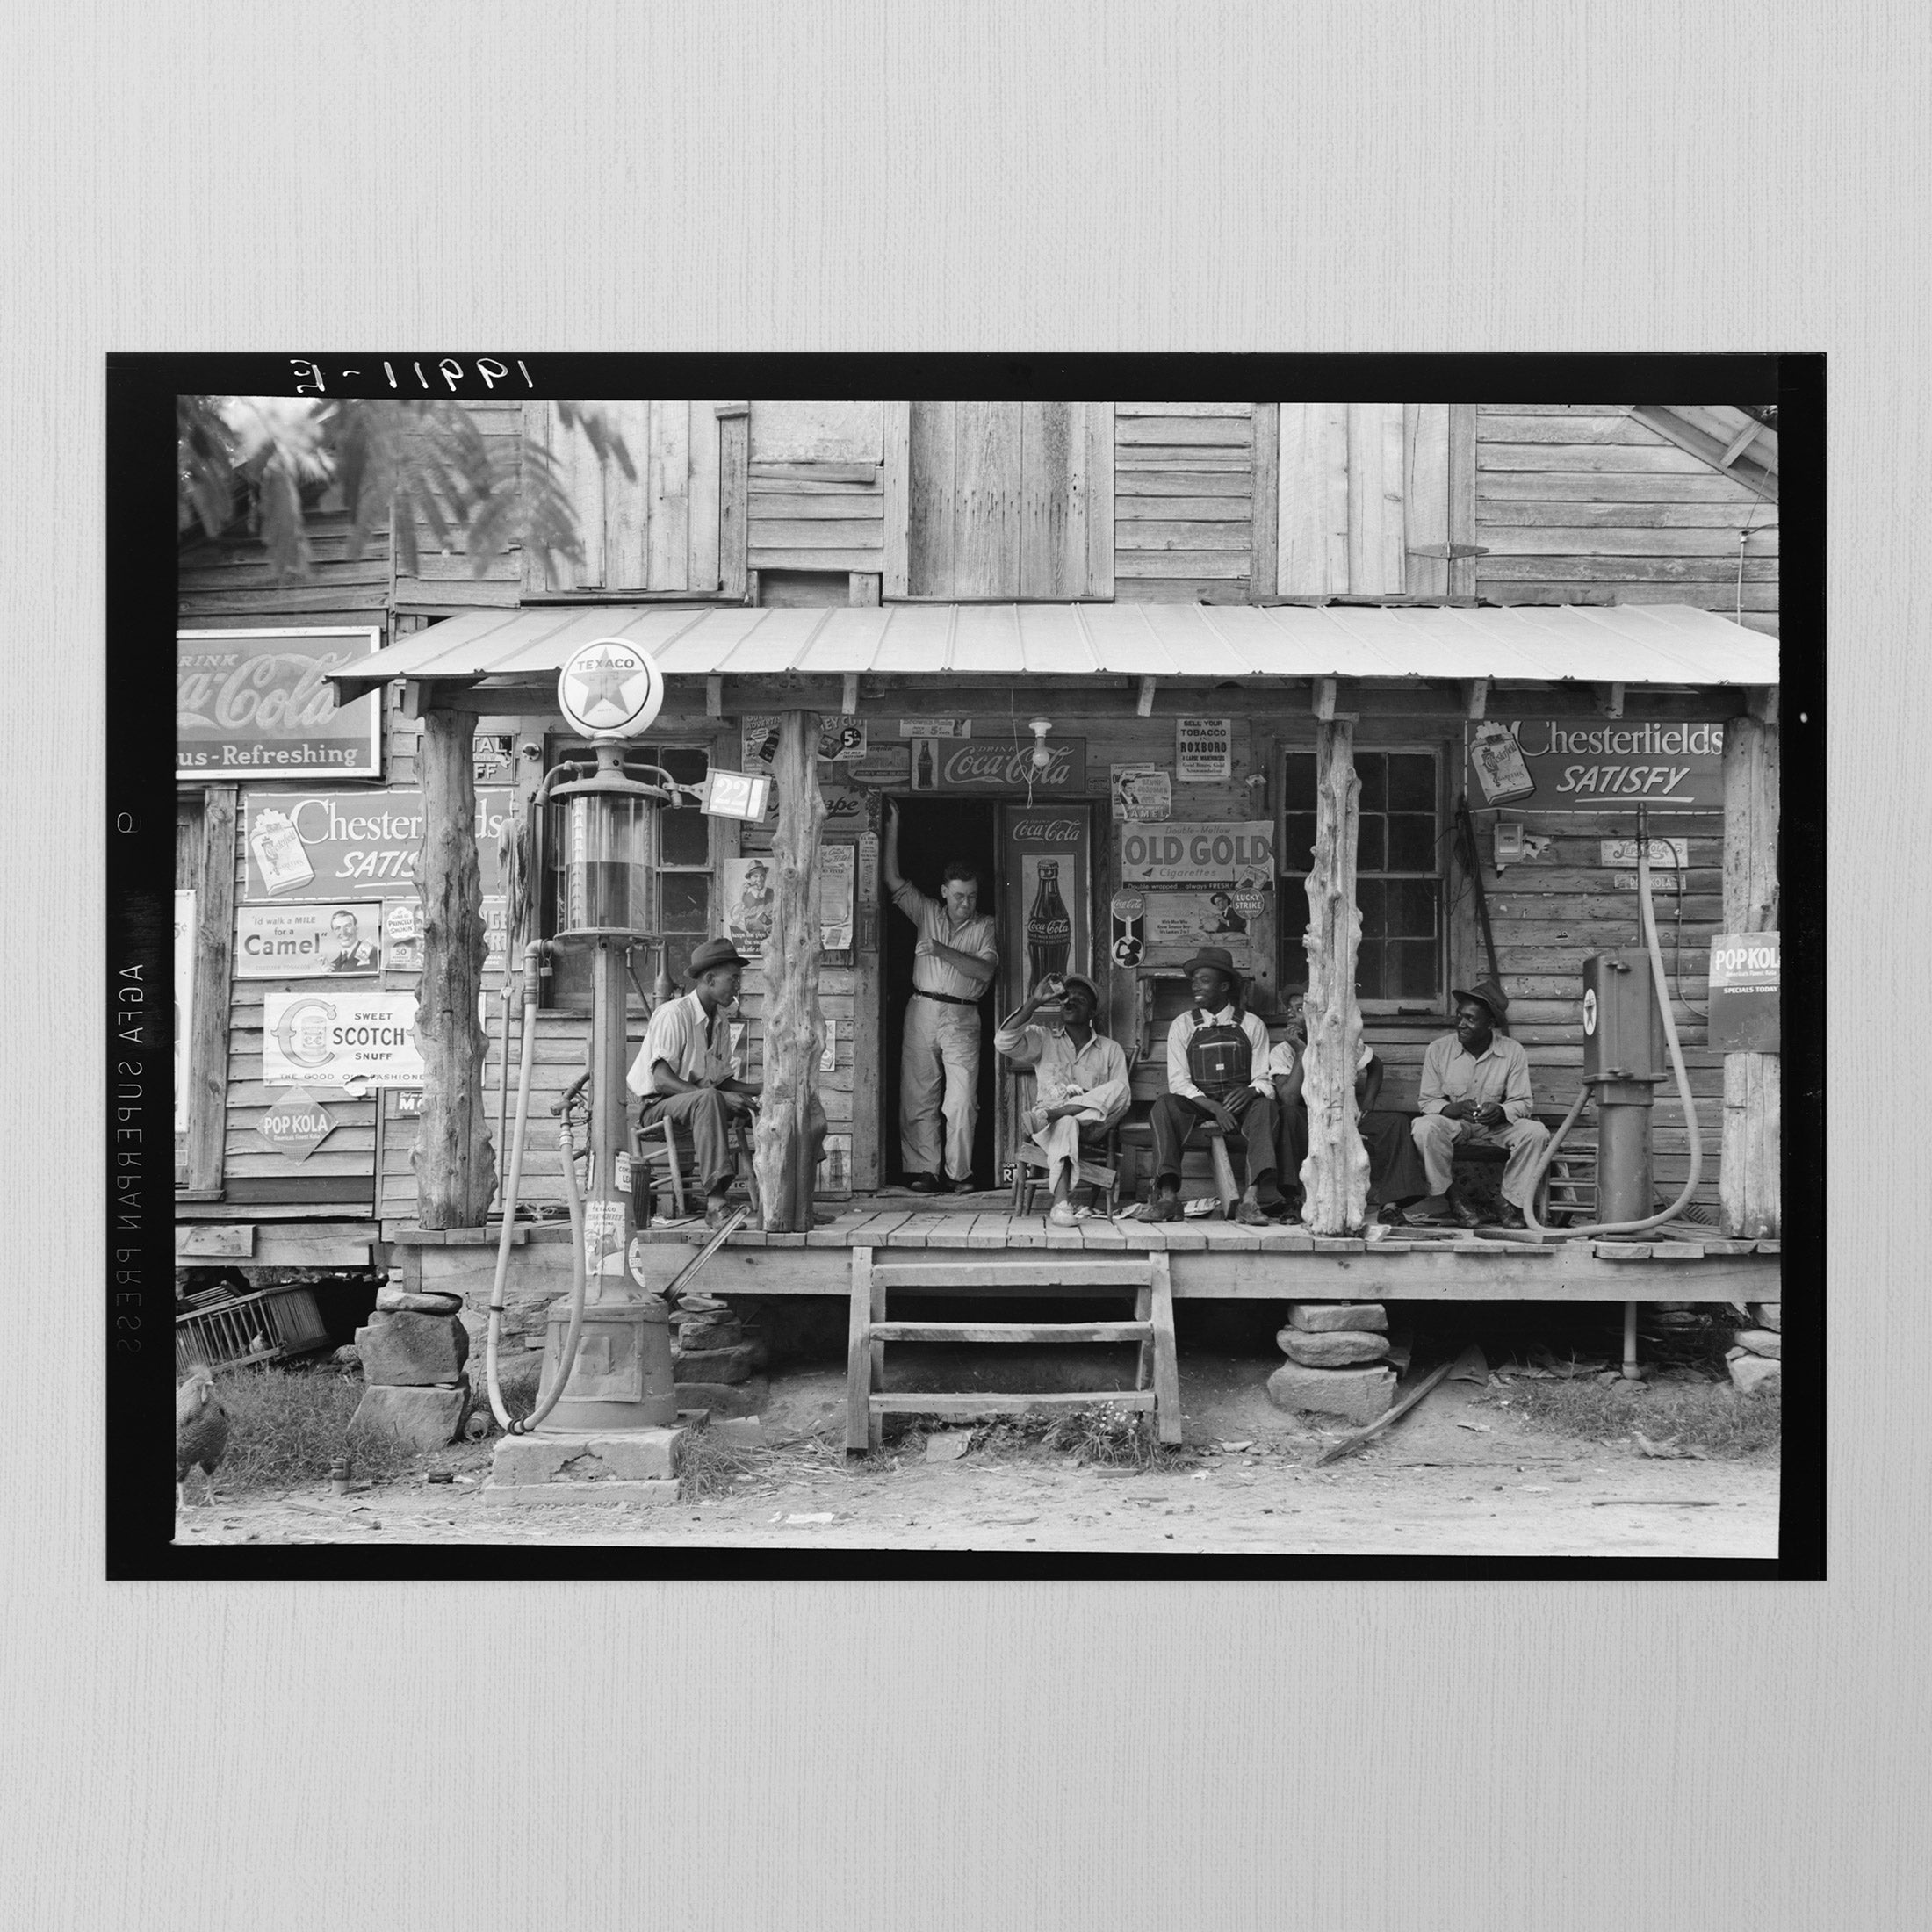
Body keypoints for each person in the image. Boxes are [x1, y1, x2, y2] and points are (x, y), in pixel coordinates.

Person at [627, 937, 825, 1231]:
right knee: (710, 1099)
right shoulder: (673, 1014)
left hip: (700, 1103)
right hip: (656, 1107)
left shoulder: (719, 1020)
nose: (737, 986)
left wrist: (766, 1089)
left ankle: (798, 1201)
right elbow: (662, 1080)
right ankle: (716, 1205)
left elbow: (721, 1081)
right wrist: (718, 1098)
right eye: (733, 978)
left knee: (794, 1101)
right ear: (709, 979)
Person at [883, 799, 998, 1193]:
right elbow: (893, 880)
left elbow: (985, 970)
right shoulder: (928, 910)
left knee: (962, 1099)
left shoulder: (986, 926)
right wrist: (894, 824)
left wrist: (941, 951)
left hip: (963, 1015)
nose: (966, 903)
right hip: (921, 1008)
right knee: (918, 1096)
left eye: (972, 896)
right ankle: (925, 1171)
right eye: (959, 895)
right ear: (945, 891)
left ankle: (959, 1174)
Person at [1144, 948, 1287, 1226]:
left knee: (1267, 1107)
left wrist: (1250, 1091)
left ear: (1224, 986)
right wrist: (1214, 1108)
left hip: (1239, 1106)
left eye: (1204, 980)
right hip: (1199, 1104)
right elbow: (1179, 1082)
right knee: (1164, 1106)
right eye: (1194, 980)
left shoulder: (1251, 1024)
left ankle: (1249, 1201)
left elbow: (1263, 1079)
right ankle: (1168, 1198)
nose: (1196, 986)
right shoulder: (1183, 1025)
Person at [1268, 988, 1429, 1219]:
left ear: (1317, 1013)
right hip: (1309, 1122)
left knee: (1396, 1123)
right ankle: (1293, 1201)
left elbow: (1376, 1066)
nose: (1290, 1015)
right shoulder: (1282, 1052)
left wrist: (1368, 1104)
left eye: (1299, 1009)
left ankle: (1392, 1205)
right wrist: (1302, 1051)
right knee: (1288, 1114)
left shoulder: (1340, 1041)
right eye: (1289, 1010)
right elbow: (1289, 1097)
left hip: (1346, 1117)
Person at [1406, 977, 1550, 1229]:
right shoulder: (1438, 1050)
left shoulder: (1512, 1051)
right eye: (1460, 1016)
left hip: (1496, 1128)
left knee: (1536, 1133)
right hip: (1455, 1125)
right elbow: (1428, 1101)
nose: (1461, 1024)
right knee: (1424, 1127)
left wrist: (1501, 1111)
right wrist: (1455, 1109)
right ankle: (1455, 1200)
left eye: (1471, 1019)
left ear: (1490, 1024)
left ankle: (1508, 1204)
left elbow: (1523, 1102)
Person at [994, 973, 1131, 1227]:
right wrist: (1035, 1001)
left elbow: (1121, 1099)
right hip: (1050, 1128)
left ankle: (1057, 1113)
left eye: (1079, 999)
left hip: (1092, 1128)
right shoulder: (1043, 1039)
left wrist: (1066, 1110)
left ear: (1093, 1011)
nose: (1069, 1002)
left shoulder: (1110, 1049)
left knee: (1120, 1089)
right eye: (1065, 998)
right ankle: (1060, 1205)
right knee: (1067, 1122)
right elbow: (1003, 1042)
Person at [325, 907, 378, 972]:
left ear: (356, 927)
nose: (343, 933)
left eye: (347, 926)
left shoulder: (374, 953)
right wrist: (326, 976)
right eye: (338, 928)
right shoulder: (333, 966)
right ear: (333, 932)